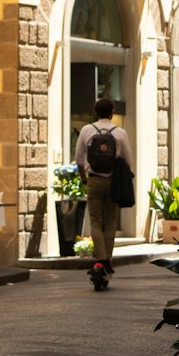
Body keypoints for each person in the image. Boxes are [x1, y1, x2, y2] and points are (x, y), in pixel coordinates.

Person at [74, 97, 132, 291]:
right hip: (114, 182)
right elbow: (128, 161)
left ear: (95, 112)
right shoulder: (120, 133)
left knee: (96, 221)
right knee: (111, 222)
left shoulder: (86, 130)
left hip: (94, 180)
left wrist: (85, 180)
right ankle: (106, 260)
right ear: (112, 113)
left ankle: (99, 260)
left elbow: (79, 161)